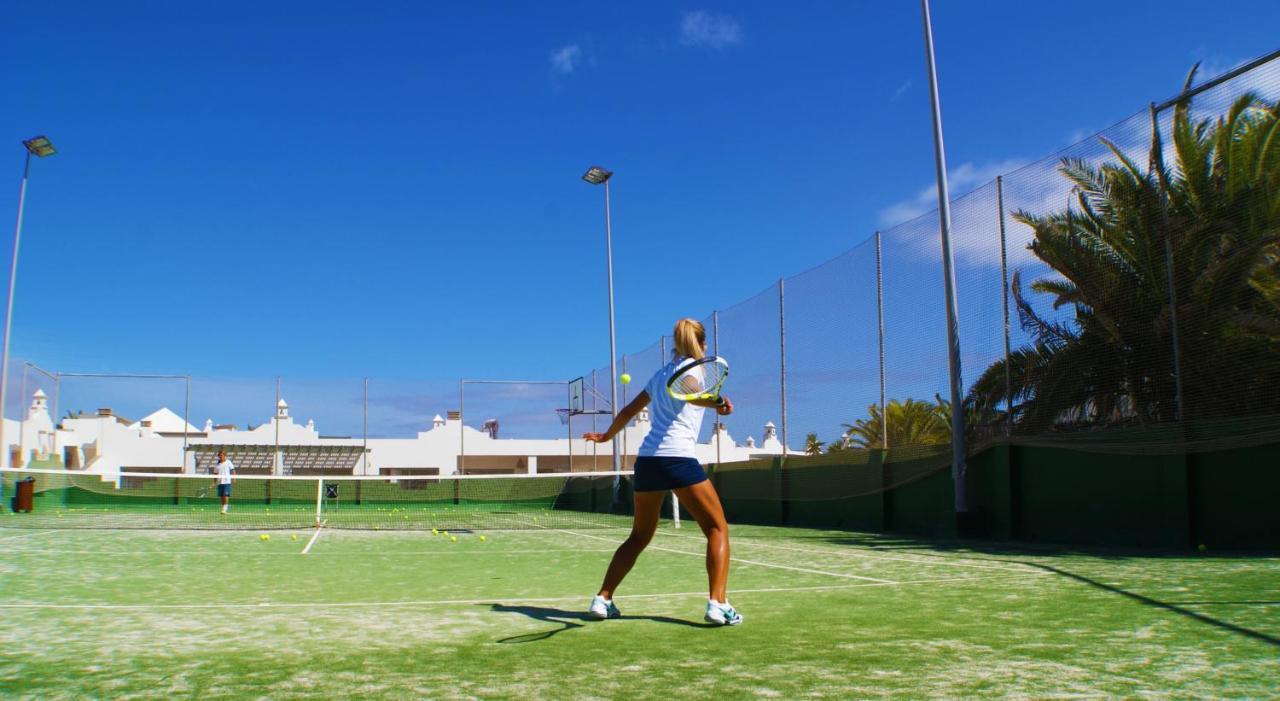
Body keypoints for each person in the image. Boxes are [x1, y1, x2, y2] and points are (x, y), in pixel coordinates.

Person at [583, 318, 742, 626]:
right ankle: (718, 603)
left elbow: (629, 411)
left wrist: (605, 437)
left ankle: (603, 598)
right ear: (702, 345)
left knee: (639, 536)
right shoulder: (693, 372)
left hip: (647, 462)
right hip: (677, 459)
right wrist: (719, 401)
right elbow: (693, 391)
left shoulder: (659, 376)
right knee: (717, 529)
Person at [214, 449, 235, 514]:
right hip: (220, 482)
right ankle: (223, 508)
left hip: (227, 482)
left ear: (224, 456)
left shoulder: (228, 462)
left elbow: (233, 470)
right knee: (221, 496)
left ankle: (225, 508)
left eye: (222, 455)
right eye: (219, 456)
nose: (221, 457)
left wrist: (234, 478)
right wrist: (214, 482)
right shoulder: (217, 465)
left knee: (225, 495)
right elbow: (215, 474)